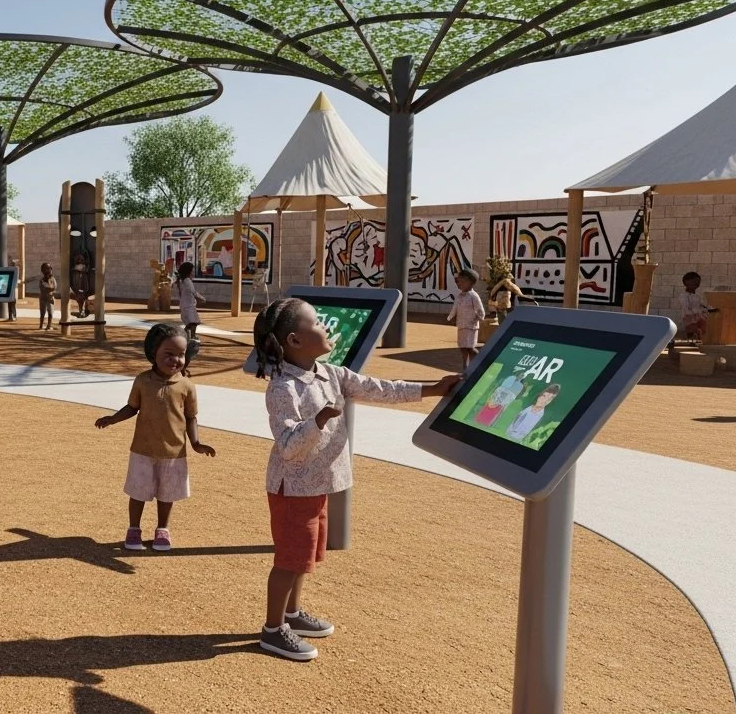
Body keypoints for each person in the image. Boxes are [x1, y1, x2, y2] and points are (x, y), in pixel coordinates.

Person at [252, 297, 459, 661]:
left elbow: (381, 388)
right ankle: (272, 630)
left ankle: (292, 615)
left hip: (317, 485)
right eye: (316, 322)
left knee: (304, 558)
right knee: (289, 559)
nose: (325, 326)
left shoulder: (331, 373)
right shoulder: (283, 388)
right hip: (294, 489)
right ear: (295, 341)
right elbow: (287, 445)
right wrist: (318, 421)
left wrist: (432, 389)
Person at [95, 324, 216, 553]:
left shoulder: (187, 386)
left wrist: (196, 443)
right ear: (153, 353)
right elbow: (132, 407)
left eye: (181, 355)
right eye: (168, 354)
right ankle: (133, 529)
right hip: (142, 450)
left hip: (174, 452)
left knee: (167, 493)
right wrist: (112, 419)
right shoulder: (142, 381)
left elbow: (191, 417)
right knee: (138, 491)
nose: (175, 360)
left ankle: (163, 529)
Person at [448, 268, 486, 369]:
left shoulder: (474, 296)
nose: (459, 284)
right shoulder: (459, 296)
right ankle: (465, 366)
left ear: (471, 283)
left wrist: (476, 319)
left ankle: (481, 363)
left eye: (463, 282)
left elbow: (481, 311)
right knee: (463, 347)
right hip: (461, 325)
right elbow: (454, 309)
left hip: (470, 327)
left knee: (470, 347)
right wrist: (450, 318)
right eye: (458, 281)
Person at [675, 271, 718, 341]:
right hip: (689, 320)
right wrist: (699, 311)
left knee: (704, 331)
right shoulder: (683, 296)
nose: (697, 284)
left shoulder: (697, 296)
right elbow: (686, 311)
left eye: (698, 282)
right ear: (686, 283)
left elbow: (702, 306)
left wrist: (710, 310)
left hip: (699, 318)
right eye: (694, 282)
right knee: (692, 335)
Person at [175, 262, 205, 339]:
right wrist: (201, 298)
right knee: (193, 322)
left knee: (190, 322)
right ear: (188, 272)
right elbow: (193, 292)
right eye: (192, 270)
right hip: (189, 305)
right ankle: (192, 336)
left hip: (184, 305)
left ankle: (186, 335)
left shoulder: (181, 281)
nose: (193, 272)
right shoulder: (187, 281)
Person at [36, 262, 57, 331]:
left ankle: (49, 325)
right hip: (43, 298)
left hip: (50, 298)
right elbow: (44, 288)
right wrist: (49, 288)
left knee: (50, 313)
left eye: (49, 269)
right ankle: (41, 325)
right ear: (43, 270)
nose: (48, 270)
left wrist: (49, 288)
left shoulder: (52, 279)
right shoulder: (42, 280)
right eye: (46, 269)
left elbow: (54, 287)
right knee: (42, 313)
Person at [70, 252, 91, 318]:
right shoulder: (75, 270)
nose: (79, 261)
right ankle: (81, 311)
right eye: (78, 259)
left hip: (83, 286)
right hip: (78, 286)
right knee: (80, 299)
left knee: (83, 299)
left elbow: (87, 270)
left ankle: (83, 311)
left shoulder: (84, 269)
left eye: (81, 260)